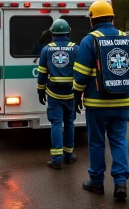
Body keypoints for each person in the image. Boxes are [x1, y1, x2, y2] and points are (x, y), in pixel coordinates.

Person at [73, 0, 129, 200]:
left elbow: (81, 73)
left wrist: (76, 94)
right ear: (112, 17)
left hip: (97, 103)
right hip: (122, 101)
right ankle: (120, 183)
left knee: (97, 143)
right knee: (119, 141)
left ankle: (96, 182)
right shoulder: (126, 39)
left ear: (92, 20)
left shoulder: (89, 40)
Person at [37, 19, 79, 170]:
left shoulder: (47, 50)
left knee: (56, 124)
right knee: (69, 123)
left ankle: (56, 160)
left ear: (53, 34)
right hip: (71, 94)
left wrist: (40, 89)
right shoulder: (75, 49)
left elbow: (42, 73)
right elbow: (81, 72)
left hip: (54, 94)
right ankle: (69, 155)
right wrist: (80, 93)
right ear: (68, 32)